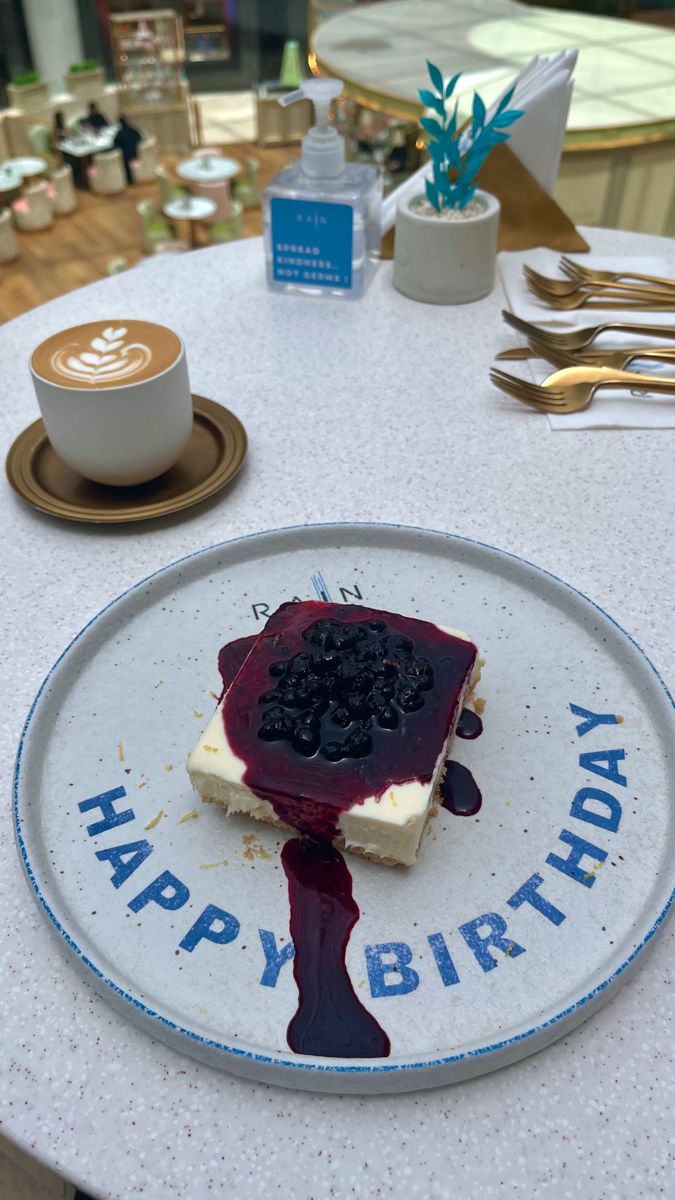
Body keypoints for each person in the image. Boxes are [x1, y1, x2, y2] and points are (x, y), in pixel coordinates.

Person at [53, 109, 85, 187]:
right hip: (62, 152)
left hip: (69, 149)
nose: (63, 118)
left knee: (78, 158)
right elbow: (55, 142)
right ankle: (75, 181)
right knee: (73, 161)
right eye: (62, 117)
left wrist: (72, 140)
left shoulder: (63, 126)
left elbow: (68, 137)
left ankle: (80, 179)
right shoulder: (55, 129)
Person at [113, 114, 143, 184]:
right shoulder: (133, 129)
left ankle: (128, 179)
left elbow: (115, 144)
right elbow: (140, 137)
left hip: (127, 156)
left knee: (122, 159)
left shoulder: (120, 134)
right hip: (136, 152)